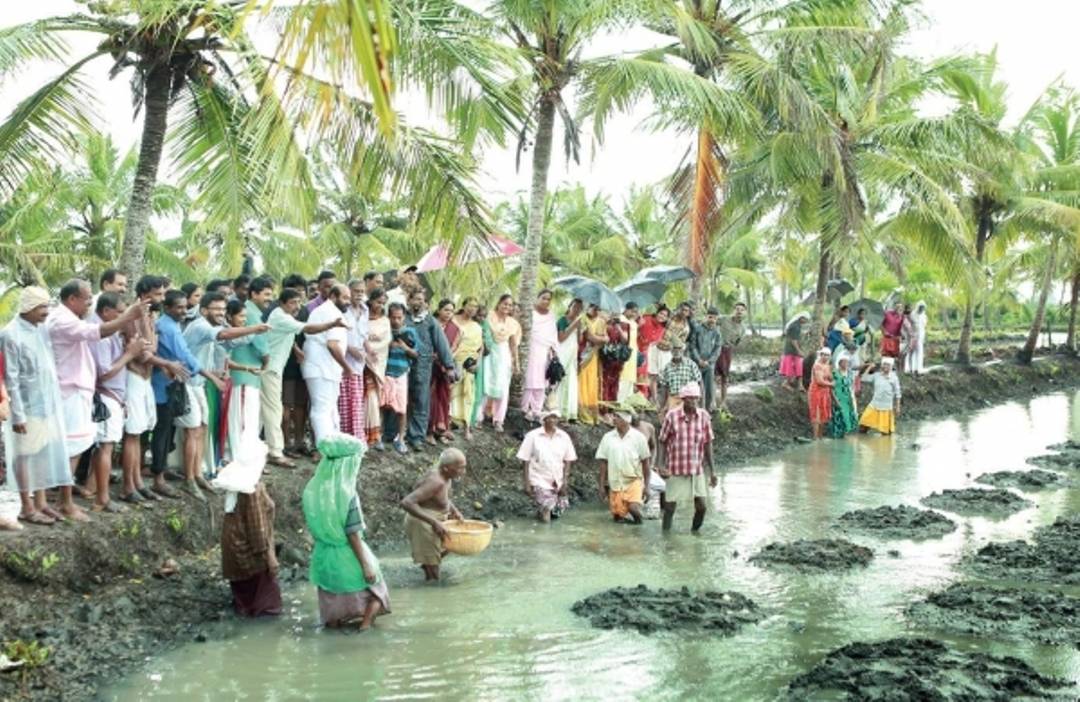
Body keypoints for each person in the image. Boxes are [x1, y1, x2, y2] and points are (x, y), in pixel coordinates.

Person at [47, 279, 146, 521]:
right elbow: (94, 334)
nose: (90, 304)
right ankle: (67, 502)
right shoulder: (62, 319)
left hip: (77, 391)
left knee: (78, 446)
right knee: (74, 448)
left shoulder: (74, 319)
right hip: (71, 391)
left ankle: (66, 500)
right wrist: (129, 328)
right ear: (72, 299)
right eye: (87, 299)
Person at [2, 287, 75, 525]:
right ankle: (26, 506)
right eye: (41, 307)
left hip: (47, 404)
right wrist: (19, 415)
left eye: (47, 306)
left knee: (43, 451)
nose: (46, 312)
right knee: (24, 455)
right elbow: (11, 378)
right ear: (28, 308)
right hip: (26, 406)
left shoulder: (40, 329)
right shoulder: (10, 334)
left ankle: (41, 502)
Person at [303, 433, 390, 629]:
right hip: (348, 556)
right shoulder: (347, 495)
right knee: (378, 593)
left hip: (323, 557)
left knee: (331, 604)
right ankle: (365, 627)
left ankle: (335, 635)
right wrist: (366, 564)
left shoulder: (312, 490)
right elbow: (352, 534)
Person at [184, 292, 268, 478]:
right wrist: (253, 328)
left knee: (203, 429)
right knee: (195, 431)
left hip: (201, 383)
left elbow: (230, 341)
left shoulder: (214, 326)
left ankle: (201, 473)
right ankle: (193, 477)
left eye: (223, 309)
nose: (221, 313)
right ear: (204, 310)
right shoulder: (201, 326)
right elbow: (225, 334)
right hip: (189, 384)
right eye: (217, 309)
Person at [261, 288, 346, 466]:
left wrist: (296, 348)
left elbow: (284, 333)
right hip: (271, 369)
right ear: (282, 303)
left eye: (299, 302)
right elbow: (308, 329)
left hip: (274, 368)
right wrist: (331, 325)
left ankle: (267, 451)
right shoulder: (280, 316)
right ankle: (275, 453)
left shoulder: (283, 316)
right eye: (292, 303)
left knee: (269, 411)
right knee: (274, 411)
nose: (297, 306)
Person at [152, 290, 223, 499]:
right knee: (172, 431)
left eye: (185, 307)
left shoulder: (173, 325)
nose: (184, 311)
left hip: (177, 384)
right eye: (179, 307)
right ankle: (180, 478)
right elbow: (186, 357)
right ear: (167, 308)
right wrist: (212, 377)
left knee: (194, 428)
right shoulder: (167, 327)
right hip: (166, 386)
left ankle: (195, 474)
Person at [88, 293, 149, 513]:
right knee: (105, 447)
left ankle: (101, 497)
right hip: (106, 394)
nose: (124, 316)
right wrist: (129, 354)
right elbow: (104, 373)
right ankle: (101, 499)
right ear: (106, 312)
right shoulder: (101, 334)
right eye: (121, 312)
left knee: (108, 446)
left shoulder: (110, 331)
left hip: (114, 396)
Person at [120, 276, 174, 505]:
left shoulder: (150, 315)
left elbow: (149, 349)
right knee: (132, 434)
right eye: (158, 294)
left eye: (163, 294)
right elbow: (142, 352)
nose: (162, 298)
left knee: (140, 433)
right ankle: (128, 486)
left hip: (145, 377)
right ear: (144, 294)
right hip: (133, 376)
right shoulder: (133, 314)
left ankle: (138, 483)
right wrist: (167, 364)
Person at [218, 447, 281, 618]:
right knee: (268, 608)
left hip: (233, 548)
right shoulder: (251, 488)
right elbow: (257, 531)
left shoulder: (241, 481)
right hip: (246, 551)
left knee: (244, 603)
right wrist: (270, 558)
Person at [400, 448, 466, 581]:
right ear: (447, 468)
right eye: (460, 468)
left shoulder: (446, 477)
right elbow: (407, 502)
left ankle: (428, 565)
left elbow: (442, 498)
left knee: (450, 545)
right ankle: (433, 586)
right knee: (434, 576)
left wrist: (454, 510)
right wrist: (433, 522)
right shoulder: (435, 481)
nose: (463, 472)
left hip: (434, 520)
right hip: (422, 523)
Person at [658, 382, 715, 532]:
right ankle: (666, 537)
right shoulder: (672, 416)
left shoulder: (704, 416)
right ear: (683, 399)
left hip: (696, 469)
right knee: (670, 508)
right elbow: (662, 441)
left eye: (695, 398)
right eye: (689, 398)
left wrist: (713, 471)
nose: (693, 402)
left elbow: (708, 444)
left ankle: (695, 534)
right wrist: (660, 465)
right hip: (676, 468)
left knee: (702, 507)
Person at [404, 289, 457, 452]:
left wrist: (449, 366)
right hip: (401, 363)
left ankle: (416, 437)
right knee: (400, 400)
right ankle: (396, 434)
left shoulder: (430, 321)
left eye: (422, 300)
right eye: (416, 299)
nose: (418, 302)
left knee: (421, 400)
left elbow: (442, 344)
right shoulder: (402, 317)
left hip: (423, 364)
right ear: (409, 300)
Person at [226, 277, 272, 460]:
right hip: (244, 375)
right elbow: (260, 343)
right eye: (266, 294)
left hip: (248, 373)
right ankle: (240, 459)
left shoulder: (252, 311)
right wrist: (267, 360)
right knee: (243, 419)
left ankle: (245, 458)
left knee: (247, 418)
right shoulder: (251, 314)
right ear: (254, 294)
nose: (270, 298)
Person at [303, 284, 352, 444]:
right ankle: (326, 450)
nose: (348, 302)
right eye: (345, 298)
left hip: (326, 368)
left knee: (330, 409)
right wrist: (347, 367)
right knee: (321, 409)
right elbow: (332, 344)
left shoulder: (328, 311)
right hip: (321, 367)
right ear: (333, 296)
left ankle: (332, 445)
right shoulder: (331, 313)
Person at [517, 409, 577, 522]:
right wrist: (527, 483)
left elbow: (568, 459)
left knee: (556, 512)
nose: (554, 420)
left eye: (556, 418)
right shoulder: (532, 436)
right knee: (546, 511)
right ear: (544, 420)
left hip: (557, 479)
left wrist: (565, 481)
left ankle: (542, 518)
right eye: (551, 417)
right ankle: (545, 532)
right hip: (538, 478)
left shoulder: (564, 436)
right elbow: (525, 460)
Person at [596, 410, 651, 524]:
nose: (614, 419)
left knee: (633, 509)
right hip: (615, 482)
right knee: (618, 518)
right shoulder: (607, 437)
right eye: (614, 416)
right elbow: (602, 462)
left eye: (618, 417)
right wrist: (601, 486)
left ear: (626, 420)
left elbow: (646, 463)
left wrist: (647, 486)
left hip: (633, 480)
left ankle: (639, 530)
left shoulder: (638, 437)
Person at [278, 275, 311, 457]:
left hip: (303, 366)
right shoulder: (278, 313)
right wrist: (296, 349)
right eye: (295, 291)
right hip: (285, 364)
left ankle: (299, 441)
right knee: (285, 405)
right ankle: (285, 443)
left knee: (301, 404)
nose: (300, 295)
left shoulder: (306, 312)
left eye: (302, 291)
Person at [480, 294, 521, 433]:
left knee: (503, 389)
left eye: (510, 305)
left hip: (504, 356)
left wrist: (516, 364)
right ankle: (478, 417)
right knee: (485, 384)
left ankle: (498, 420)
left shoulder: (513, 323)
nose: (507, 307)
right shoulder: (489, 317)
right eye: (505, 303)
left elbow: (513, 344)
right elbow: (483, 335)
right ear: (498, 303)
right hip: (489, 354)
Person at [382, 302, 418, 453]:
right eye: (393, 317)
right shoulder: (385, 331)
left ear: (404, 317)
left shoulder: (410, 332)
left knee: (402, 408)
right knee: (382, 405)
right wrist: (387, 345)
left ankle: (401, 439)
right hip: (385, 372)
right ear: (388, 317)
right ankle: (378, 437)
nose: (396, 320)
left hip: (402, 373)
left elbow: (416, 354)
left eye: (399, 317)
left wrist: (405, 347)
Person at [339, 279, 370, 443]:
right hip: (343, 363)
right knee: (344, 405)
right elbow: (337, 336)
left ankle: (356, 440)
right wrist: (350, 349)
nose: (359, 294)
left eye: (362, 292)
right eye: (356, 291)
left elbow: (364, 336)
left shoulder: (365, 310)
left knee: (356, 404)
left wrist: (369, 350)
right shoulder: (342, 311)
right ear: (349, 292)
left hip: (359, 364)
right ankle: (344, 440)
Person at [522, 290, 559, 422]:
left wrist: (554, 350)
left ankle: (537, 410)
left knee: (541, 381)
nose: (546, 301)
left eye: (549, 299)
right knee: (530, 379)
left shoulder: (551, 316)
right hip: (531, 348)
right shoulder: (530, 312)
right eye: (543, 298)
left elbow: (553, 334)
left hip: (545, 351)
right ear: (537, 298)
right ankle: (525, 408)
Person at [450, 297, 483, 441]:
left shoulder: (477, 326)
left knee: (468, 395)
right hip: (453, 361)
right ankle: (447, 423)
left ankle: (467, 427)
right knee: (450, 394)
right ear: (463, 306)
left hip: (469, 364)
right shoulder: (453, 320)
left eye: (475, 307)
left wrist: (478, 363)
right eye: (470, 305)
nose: (472, 309)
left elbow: (481, 348)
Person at [428, 299, 459, 444]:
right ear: (439, 309)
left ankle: (441, 428)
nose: (448, 313)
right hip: (429, 364)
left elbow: (453, 349)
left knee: (444, 396)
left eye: (451, 311)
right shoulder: (430, 323)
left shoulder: (455, 329)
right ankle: (430, 430)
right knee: (430, 397)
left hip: (445, 367)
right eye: (446, 310)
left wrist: (445, 361)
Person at [363, 289, 391, 449]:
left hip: (376, 363)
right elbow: (358, 336)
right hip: (361, 361)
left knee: (374, 398)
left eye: (383, 303)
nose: (380, 306)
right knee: (360, 397)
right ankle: (360, 432)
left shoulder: (385, 321)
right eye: (378, 302)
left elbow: (385, 341)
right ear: (371, 300)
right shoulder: (361, 317)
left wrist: (371, 346)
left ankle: (375, 434)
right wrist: (366, 346)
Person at [553, 299, 584, 422]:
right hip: (563, 352)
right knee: (561, 379)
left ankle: (569, 412)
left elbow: (579, 340)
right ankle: (556, 409)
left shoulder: (578, 322)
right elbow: (561, 338)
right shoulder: (562, 320)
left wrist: (580, 328)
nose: (577, 310)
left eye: (579, 308)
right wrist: (573, 326)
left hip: (572, 353)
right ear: (570, 306)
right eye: (575, 307)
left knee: (571, 381)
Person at [577, 303, 607, 425]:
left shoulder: (601, 321)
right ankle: (583, 413)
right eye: (593, 307)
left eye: (597, 308)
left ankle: (592, 414)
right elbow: (590, 338)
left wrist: (600, 339)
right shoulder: (582, 319)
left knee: (592, 384)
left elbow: (606, 338)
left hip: (594, 357)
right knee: (582, 382)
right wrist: (600, 339)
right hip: (583, 355)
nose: (595, 310)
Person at [689, 308, 723, 411]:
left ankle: (707, 410)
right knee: (695, 386)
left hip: (709, 364)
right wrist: (698, 359)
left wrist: (709, 361)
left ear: (717, 319)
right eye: (710, 317)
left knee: (709, 388)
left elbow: (718, 348)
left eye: (714, 318)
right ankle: (695, 409)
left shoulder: (717, 332)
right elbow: (692, 346)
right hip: (696, 362)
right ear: (706, 316)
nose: (712, 320)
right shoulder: (698, 328)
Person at [858, 357, 901, 435]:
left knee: (885, 433)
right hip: (874, 404)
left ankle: (886, 445)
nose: (886, 367)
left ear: (891, 367)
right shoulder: (877, 375)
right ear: (882, 366)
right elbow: (863, 378)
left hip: (886, 407)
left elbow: (898, 393)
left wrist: (897, 407)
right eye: (884, 365)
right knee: (863, 425)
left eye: (888, 365)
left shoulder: (894, 378)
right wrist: (869, 367)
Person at [716, 302, 746, 410]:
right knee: (712, 375)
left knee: (725, 376)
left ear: (744, 312)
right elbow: (711, 322)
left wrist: (729, 347)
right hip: (716, 348)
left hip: (727, 350)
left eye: (741, 310)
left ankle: (723, 402)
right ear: (734, 310)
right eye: (737, 309)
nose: (739, 311)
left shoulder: (742, 328)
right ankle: (711, 401)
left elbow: (737, 342)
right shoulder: (723, 319)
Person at [657, 342, 703, 412]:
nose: (677, 352)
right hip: (673, 399)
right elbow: (664, 387)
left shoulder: (691, 364)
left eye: (679, 349)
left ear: (682, 351)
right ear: (671, 351)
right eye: (674, 349)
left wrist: (702, 404)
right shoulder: (667, 367)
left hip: (689, 399)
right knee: (673, 419)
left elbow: (700, 382)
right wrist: (662, 405)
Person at [638, 304, 669, 398]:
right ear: (657, 313)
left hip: (645, 353)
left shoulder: (662, 329)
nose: (662, 316)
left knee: (643, 376)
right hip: (635, 348)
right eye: (661, 313)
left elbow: (655, 342)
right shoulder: (645, 318)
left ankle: (642, 400)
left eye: (665, 316)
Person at [600, 313, 630, 404]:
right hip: (605, 357)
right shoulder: (604, 323)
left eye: (617, 313)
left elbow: (625, 340)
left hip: (618, 358)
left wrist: (619, 328)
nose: (615, 315)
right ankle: (603, 408)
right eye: (613, 312)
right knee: (604, 382)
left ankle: (611, 407)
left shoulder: (624, 325)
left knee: (615, 383)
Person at [828, 351, 858, 438]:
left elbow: (851, 387)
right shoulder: (834, 373)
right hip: (838, 398)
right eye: (843, 362)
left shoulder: (849, 374)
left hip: (848, 399)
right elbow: (831, 388)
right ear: (839, 363)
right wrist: (835, 400)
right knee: (839, 417)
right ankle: (836, 436)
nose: (846, 364)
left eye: (847, 362)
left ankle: (844, 437)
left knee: (848, 418)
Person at [808, 347, 834, 440]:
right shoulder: (817, 365)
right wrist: (831, 384)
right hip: (816, 392)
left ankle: (820, 437)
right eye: (823, 355)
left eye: (827, 355)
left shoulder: (827, 366)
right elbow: (819, 381)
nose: (825, 357)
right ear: (820, 355)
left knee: (824, 415)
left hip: (825, 393)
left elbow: (830, 377)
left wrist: (831, 377)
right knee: (816, 414)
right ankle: (815, 437)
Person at [781, 312, 809, 391]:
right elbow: (793, 340)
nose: (806, 322)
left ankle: (800, 385)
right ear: (802, 318)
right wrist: (799, 350)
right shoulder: (795, 326)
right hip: (791, 350)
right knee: (790, 367)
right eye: (806, 320)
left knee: (799, 366)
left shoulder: (797, 325)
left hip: (794, 350)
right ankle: (786, 383)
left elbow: (796, 337)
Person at [617, 303, 640, 402]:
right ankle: (619, 407)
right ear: (626, 310)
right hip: (624, 353)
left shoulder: (633, 322)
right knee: (622, 381)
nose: (635, 314)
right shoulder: (621, 320)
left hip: (632, 355)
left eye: (636, 312)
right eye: (633, 311)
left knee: (629, 382)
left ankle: (626, 411)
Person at [905, 301, 927, 374]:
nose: (921, 309)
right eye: (920, 307)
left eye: (923, 308)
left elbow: (923, 326)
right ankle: (910, 368)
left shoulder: (924, 316)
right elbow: (910, 326)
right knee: (911, 352)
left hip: (921, 336)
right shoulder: (912, 314)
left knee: (920, 352)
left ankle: (919, 368)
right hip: (913, 336)